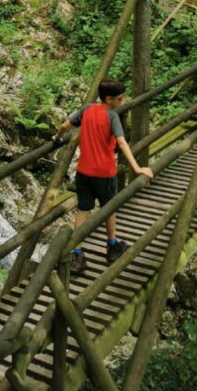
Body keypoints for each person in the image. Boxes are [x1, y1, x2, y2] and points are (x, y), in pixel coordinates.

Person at [52, 79, 154, 276]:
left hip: (83, 171)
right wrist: (138, 168)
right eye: (121, 98)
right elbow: (122, 143)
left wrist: (57, 139)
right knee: (109, 208)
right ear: (110, 99)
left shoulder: (87, 110)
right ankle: (112, 245)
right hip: (104, 173)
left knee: (83, 210)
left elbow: (65, 126)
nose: (123, 101)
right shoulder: (112, 116)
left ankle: (77, 253)